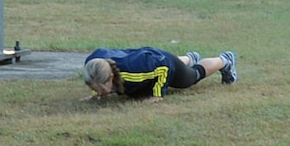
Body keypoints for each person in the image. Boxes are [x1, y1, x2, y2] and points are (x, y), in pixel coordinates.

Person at [84, 47, 236, 99]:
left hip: (162, 62)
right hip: (148, 58)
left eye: (101, 88)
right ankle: (190, 58)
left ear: (111, 76)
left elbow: (163, 69)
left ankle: (225, 60)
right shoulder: (93, 66)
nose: (99, 91)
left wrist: (158, 94)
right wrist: (97, 93)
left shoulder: (132, 73)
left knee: (190, 77)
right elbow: (97, 79)